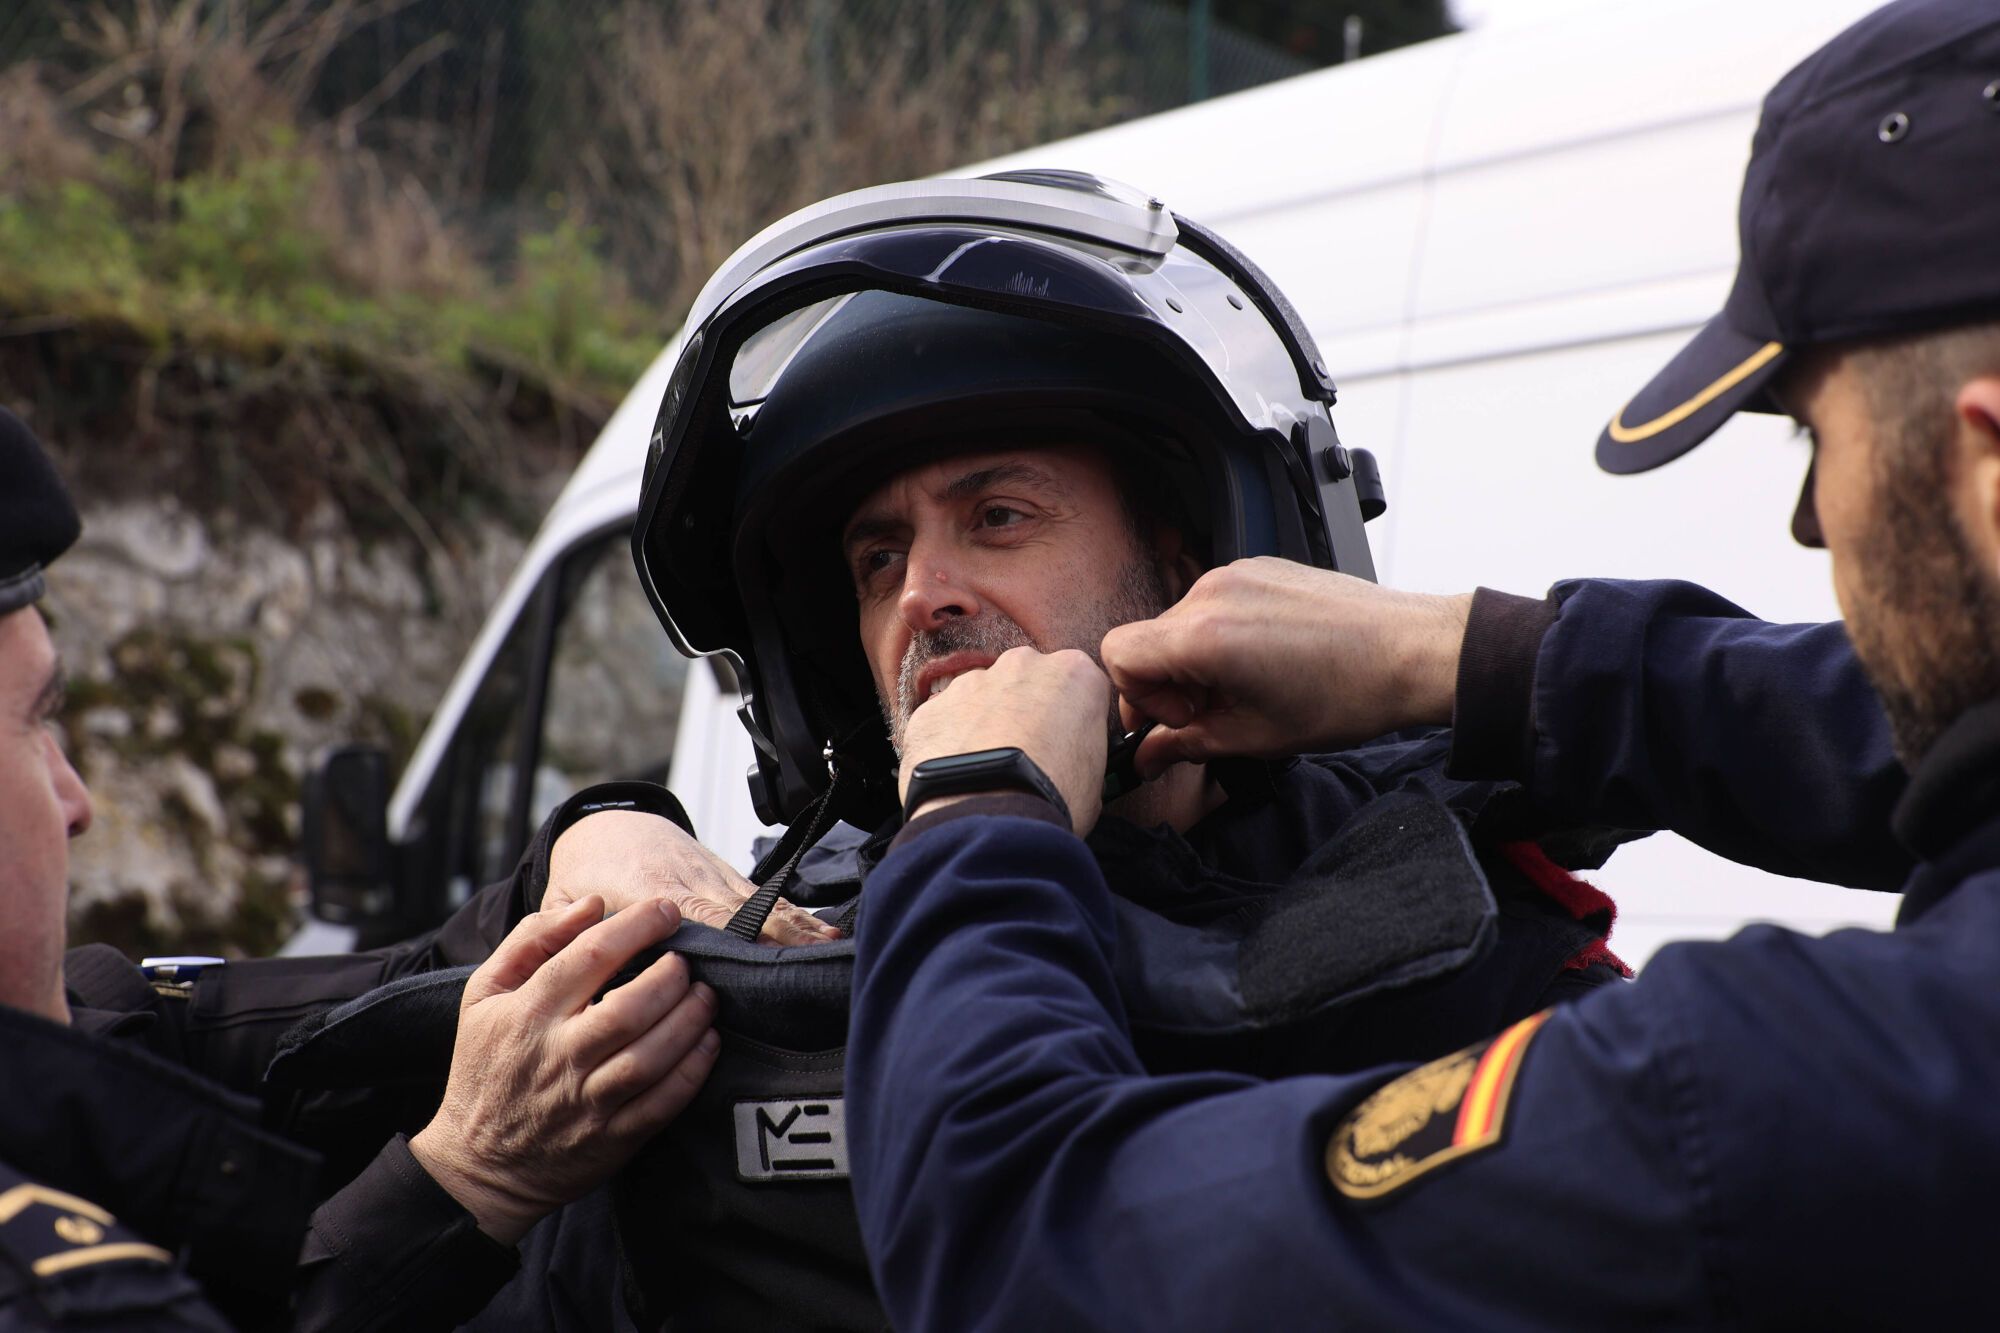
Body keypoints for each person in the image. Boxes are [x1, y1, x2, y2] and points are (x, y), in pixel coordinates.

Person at [841, 0, 2000, 1325]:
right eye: (876, 557)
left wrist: (981, 810)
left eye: (1813, 443)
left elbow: (1024, 1249)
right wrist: (1469, 659)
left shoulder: (1775, 1094)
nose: (1813, 523)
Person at [453, 169, 1638, 1328]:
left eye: (997, 518)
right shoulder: (749, 975)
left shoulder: (1449, 945)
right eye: (876, 558)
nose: (922, 592)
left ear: (1189, 568)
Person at [0, 408, 722, 1330]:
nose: (77, 800)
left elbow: (375, 1009)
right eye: (34, 724)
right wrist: (466, 1178)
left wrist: (587, 847)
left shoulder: (87, 1023)